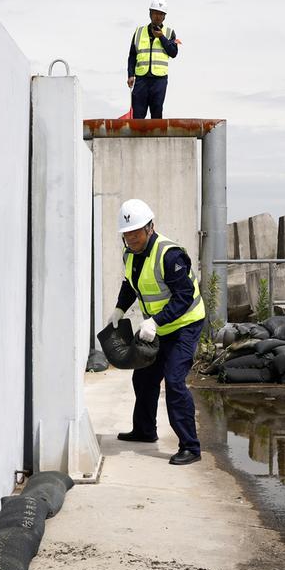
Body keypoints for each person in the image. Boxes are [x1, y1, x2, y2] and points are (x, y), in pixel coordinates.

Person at [108, 199, 205, 466]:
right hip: (158, 326)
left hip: (185, 325)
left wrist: (155, 322)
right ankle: (144, 430)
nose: (131, 238)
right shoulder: (129, 254)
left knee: (174, 382)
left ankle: (190, 446)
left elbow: (184, 296)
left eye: (136, 232)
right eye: (126, 234)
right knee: (144, 378)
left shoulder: (170, 254)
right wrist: (119, 310)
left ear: (150, 228)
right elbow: (130, 284)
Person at [127, 0, 181, 119]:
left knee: (157, 112)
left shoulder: (169, 32)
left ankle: (156, 138)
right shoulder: (139, 32)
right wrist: (130, 75)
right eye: (155, 13)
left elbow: (173, 53)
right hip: (141, 79)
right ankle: (137, 138)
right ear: (150, 13)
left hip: (159, 80)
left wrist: (161, 37)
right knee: (138, 115)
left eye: (161, 14)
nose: (158, 16)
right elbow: (132, 55)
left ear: (164, 17)